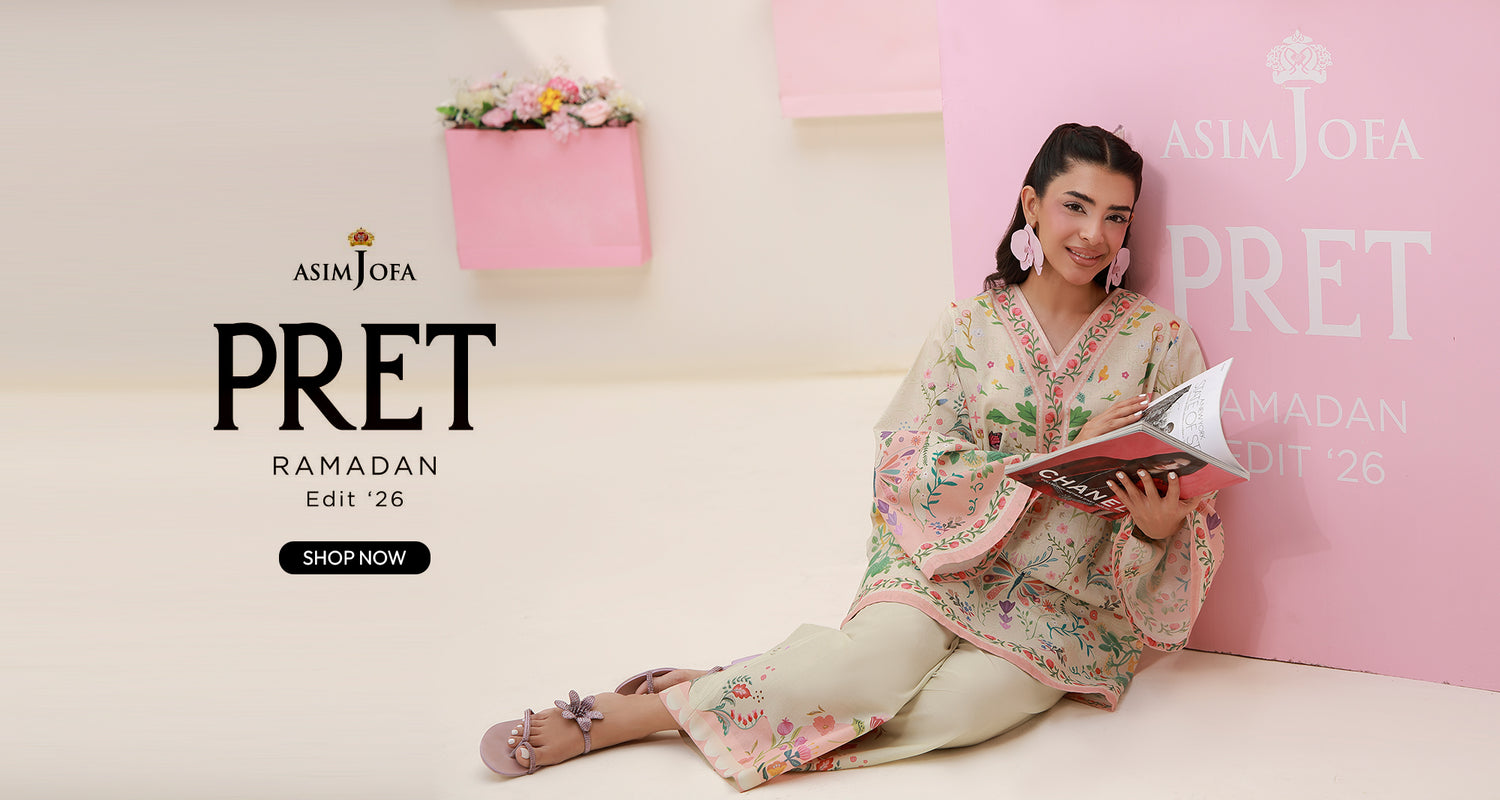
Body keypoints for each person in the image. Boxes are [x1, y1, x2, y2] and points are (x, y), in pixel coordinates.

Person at [480, 123, 1227, 790]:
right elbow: (906, 462)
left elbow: (1191, 494)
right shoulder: (967, 328)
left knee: (960, 712)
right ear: (1032, 206)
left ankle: (730, 687)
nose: (1094, 234)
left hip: (1063, 603)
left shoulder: (1160, 343)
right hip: (944, 562)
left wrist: (1159, 530)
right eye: (1075, 206)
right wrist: (1055, 452)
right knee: (869, 668)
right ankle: (643, 714)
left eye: (1116, 215)